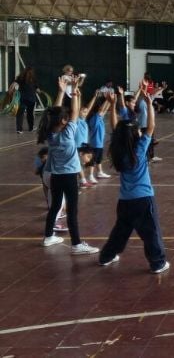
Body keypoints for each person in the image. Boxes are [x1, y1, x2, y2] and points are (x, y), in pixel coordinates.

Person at [98, 90, 170, 274]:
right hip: (143, 199)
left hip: (125, 201)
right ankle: (158, 263)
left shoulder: (118, 150)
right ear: (134, 134)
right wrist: (150, 104)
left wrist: (113, 105)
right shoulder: (138, 150)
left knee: (120, 232)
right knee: (151, 233)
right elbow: (151, 127)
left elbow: (117, 130)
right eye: (138, 129)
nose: (141, 130)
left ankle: (106, 256)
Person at [38, 77, 99, 254]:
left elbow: (54, 112)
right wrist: (74, 94)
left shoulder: (50, 134)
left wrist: (61, 91)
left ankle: (48, 236)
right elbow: (74, 112)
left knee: (55, 206)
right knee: (72, 210)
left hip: (56, 177)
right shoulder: (68, 135)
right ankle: (76, 244)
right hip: (69, 177)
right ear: (63, 122)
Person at [36, 147, 68, 232]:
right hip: (54, 175)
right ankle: (53, 223)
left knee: (54, 199)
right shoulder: (60, 148)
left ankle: (53, 223)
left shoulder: (52, 147)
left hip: (49, 176)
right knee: (59, 200)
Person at [86, 92, 112, 182]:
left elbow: (104, 110)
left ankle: (100, 172)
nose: (103, 112)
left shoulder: (99, 117)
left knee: (99, 159)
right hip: (95, 143)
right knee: (93, 160)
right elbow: (102, 109)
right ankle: (90, 176)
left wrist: (110, 101)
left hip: (99, 143)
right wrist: (108, 100)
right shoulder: (94, 118)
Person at [11, 67, 40, 133]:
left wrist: (11, 90)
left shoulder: (20, 78)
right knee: (30, 114)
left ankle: (19, 129)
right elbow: (38, 90)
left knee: (20, 114)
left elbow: (13, 84)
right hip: (31, 99)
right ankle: (31, 128)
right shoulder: (33, 79)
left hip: (22, 99)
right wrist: (39, 91)